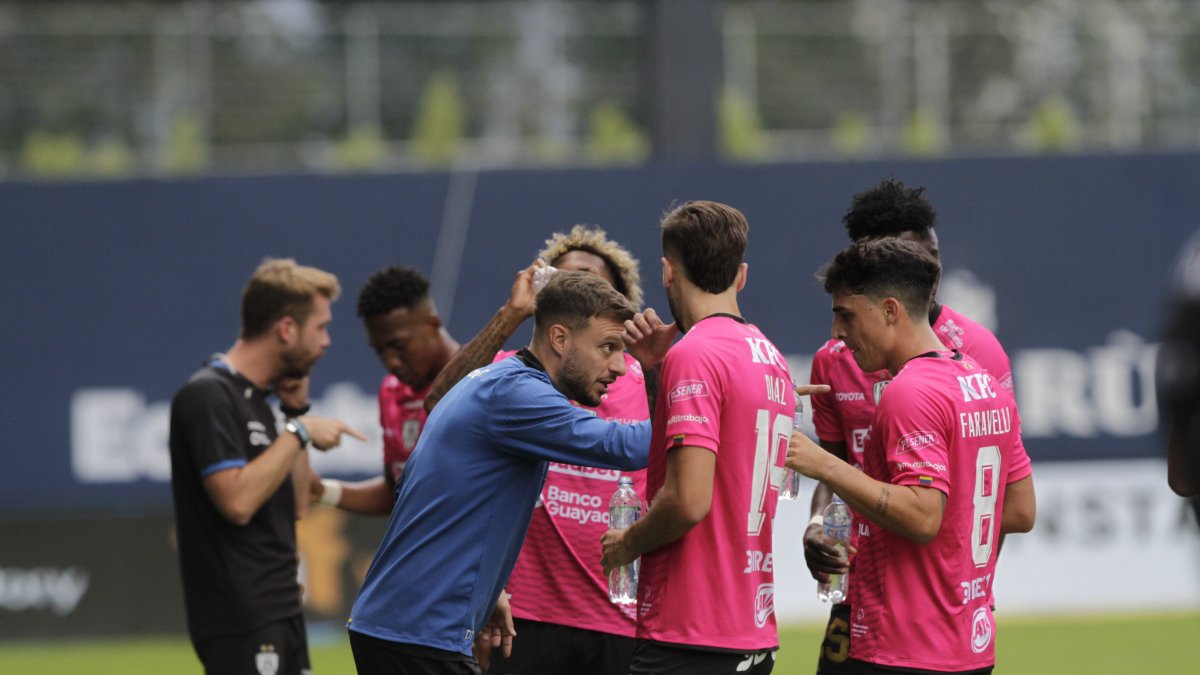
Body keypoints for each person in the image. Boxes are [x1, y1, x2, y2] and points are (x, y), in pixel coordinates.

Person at [347, 271, 654, 675]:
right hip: (417, 634)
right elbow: (627, 447)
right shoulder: (518, 395)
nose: (619, 366)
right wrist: (681, 386)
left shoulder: (501, 382)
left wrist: (486, 591)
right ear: (559, 339)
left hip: (407, 627)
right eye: (608, 347)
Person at [788, 238, 1036, 674]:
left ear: (889, 310)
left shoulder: (909, 392)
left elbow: (922, 518)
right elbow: (1020, 510)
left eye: (846, 315)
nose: (837, 333)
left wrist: (824, 463)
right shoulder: (984, 384)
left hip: (900, 644)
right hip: (968, 644)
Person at [423, 225, 649, 675]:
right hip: (523, 615)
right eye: (562, 285)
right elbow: (439, 402)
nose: (578, 291)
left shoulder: (647, 379)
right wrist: (512, 313)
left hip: (620, 616)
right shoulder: (512, 377)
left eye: (591, 283)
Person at [600, 200, 797, 675]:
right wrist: (657, 372)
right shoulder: (771, 356)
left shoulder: (696, 354)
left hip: (692, 632)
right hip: (750, 628)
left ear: (668, 271)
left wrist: (626, 544)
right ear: (741, 275)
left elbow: (689, 501)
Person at [168, 258, 367, 675]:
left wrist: (294, 410)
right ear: (286, 329)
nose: (327, 341)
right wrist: (298, 432)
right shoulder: (208, 395)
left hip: (281, 612)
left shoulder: (261, 401)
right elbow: (237, 501)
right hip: (240, 618)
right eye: (321, 327)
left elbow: (296, 505)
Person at [309, 266, 461, 514]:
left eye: (398, 346)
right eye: (380, 350)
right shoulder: (391, 390)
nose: (391, 362)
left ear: (432, 323)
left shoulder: (488, 379)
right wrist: (321, 491)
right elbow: (397, 492)